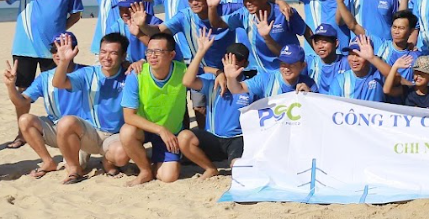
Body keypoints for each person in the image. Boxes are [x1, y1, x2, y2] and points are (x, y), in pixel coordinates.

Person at [0, 0, 84, 148]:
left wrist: (59, 30)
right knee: (23, 90)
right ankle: (21, 134)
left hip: (54, 50)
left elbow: (76, 15)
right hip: (24, 48)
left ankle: (62, 130)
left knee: (58, 89)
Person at [4, 32, 88, 179]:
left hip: (82, 131)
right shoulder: (45, 77)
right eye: (54, 49)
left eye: (63, 48)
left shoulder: (87, 72)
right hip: (55, 128)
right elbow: (21, 102)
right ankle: (48, 161)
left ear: (74, 50)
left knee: (77, 166)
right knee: (25, 120)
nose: (58, 53)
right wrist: (11, 86)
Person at [51, 33, 132, 184]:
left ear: (123, 56)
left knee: (121, 156)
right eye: (103, 52)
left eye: (113, 53)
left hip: (115, 135)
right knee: (65, 123)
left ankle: (108, 161)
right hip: (90, 133)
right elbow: (58, 83)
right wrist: (63, 62)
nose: (107, 57)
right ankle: (75, 169)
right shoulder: (89, 73)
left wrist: (140, 62)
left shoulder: (130, 75)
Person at [178, 31, 254, 180]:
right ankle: (210, 168)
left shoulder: (252, 84)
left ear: (245, 63)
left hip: (238, 139)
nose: (233, 62)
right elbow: (187, 81)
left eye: (237, 59)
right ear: (224, 59)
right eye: (229, 58)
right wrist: (201, 52)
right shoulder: (214, 82)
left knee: (238, 169)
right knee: (184, 137)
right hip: (213, 137)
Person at [120, 33, 189, 186]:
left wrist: (218, 73)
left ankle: (157, 161)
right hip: (145, 129)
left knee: (169, 177)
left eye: (158, 51)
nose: (152, 56)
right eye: (149, 51)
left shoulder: (183, 71)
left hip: (171, 132)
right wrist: (160, 130)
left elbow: (204, 71)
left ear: (171, 55)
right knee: (126, 131)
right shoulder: (136, 74)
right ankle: (145, 171)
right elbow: (129, 116)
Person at [221, 0, 307, 72]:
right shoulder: (245, 14)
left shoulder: (284, 12)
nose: (248, 3)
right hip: (262, 72)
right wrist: (212, 7)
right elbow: (218, 23)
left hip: (289, 70)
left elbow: (305, 31)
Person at [323, 35, 392, 102]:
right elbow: (333, 106)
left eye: (358, 55)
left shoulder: (379, 74)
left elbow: (394, 77)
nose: (354, 59)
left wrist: (372, 58)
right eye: (351, 54)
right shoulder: (340, 81)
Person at [231, 44, 315, 98]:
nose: (286, 68)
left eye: (291, 64)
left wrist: (310, 95)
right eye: (283, 64)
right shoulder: (266, 79)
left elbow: (317, 110)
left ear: (303, 66)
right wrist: (230, 78)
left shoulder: (309, 83)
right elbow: (237, 90)